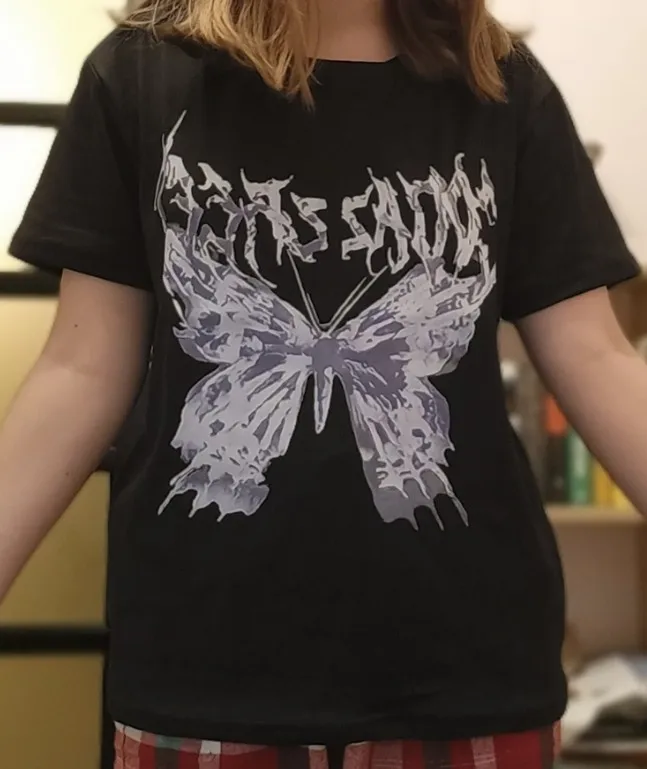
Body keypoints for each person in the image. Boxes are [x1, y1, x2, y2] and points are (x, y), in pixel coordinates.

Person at [1, 0, 646, 766]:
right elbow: (79, 370)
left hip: (467, 669)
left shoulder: (499, 85)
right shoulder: (139, 74)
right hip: (204, 663)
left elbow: (596, 357)